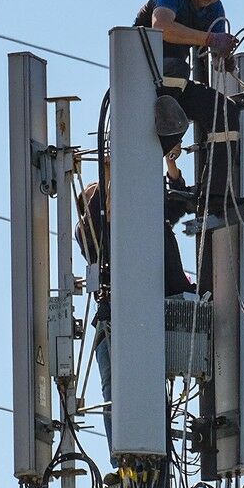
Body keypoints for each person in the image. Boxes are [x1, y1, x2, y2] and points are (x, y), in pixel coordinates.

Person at [76, 146, 196, 462]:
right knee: (114, 391)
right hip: (113, 319)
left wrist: (171, 164)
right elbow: (97, 216)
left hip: (151, 312)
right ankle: (123, 460)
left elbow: (177, 201)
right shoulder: (90, 234)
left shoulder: (145, 220)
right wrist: (108, 175)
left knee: (147, 388)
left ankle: (152, 457)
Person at [134, 0, 242, 183]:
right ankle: (162, 137)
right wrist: (211, 39)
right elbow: (162, 27)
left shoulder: (215, 9)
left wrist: (224, 58)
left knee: (225, 112)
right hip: (143, 77)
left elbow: (215, 55)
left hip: (175, 84)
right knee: (177, 68)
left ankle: (215, 194)